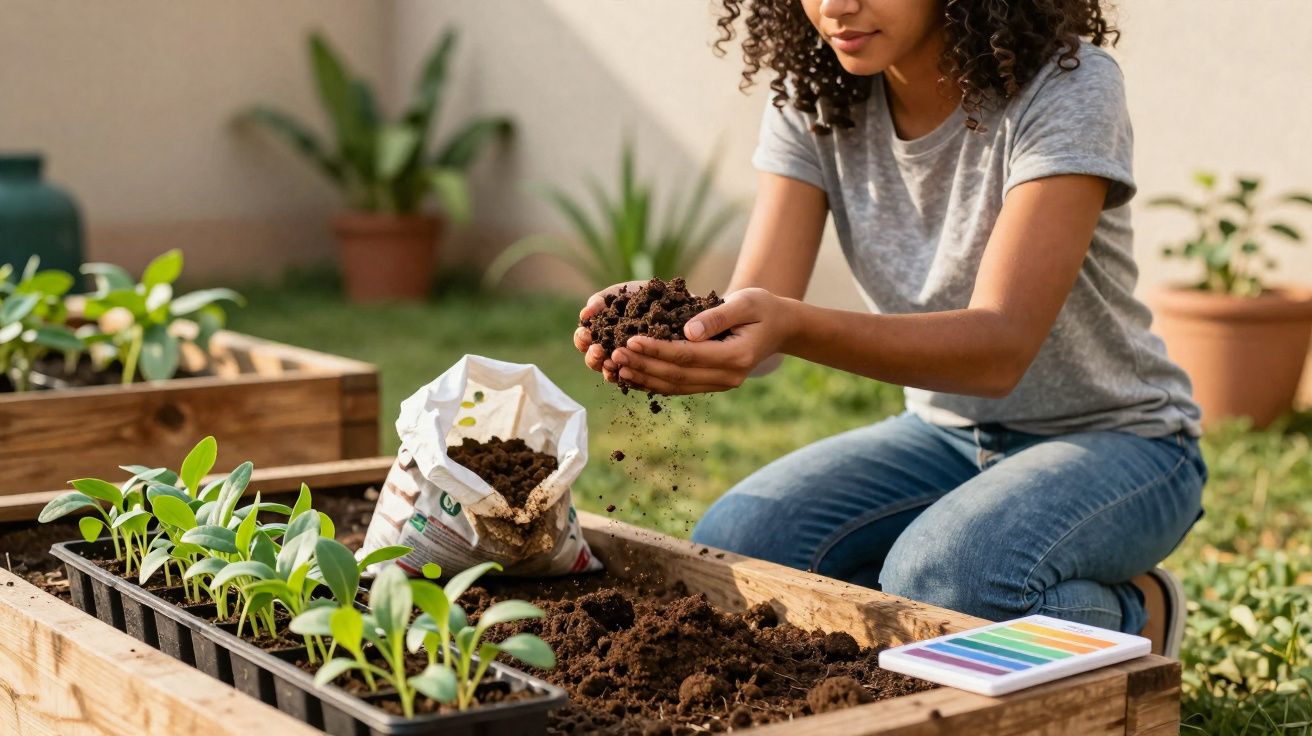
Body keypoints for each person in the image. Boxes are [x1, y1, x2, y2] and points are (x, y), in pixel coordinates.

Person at [573, 0, 1205, 653]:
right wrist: (681, 329)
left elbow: (1000, 348)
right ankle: (925, 601)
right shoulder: (813, 93)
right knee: (741, 548)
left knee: (949, 580)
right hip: (944, 437)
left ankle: (1142, 617)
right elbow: (755, 307)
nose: (836, 6)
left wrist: (788, 326)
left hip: (1121, 445)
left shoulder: (1067, 85)